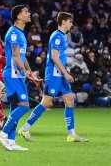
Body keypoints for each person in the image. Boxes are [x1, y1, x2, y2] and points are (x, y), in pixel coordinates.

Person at [18, 12, 89, 143]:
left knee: (69, 100)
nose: (71, 24)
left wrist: (65, 72)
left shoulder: (62, 36)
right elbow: (55, 57)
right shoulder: (57, 36)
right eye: (70, 22)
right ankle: (25, 128)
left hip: (60, 74)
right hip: (54, 75)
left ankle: (71, 135)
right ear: (63, 22)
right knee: (46, 102)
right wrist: (66, 73)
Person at [0, 5, 39, 151]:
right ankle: (3, 134)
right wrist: (24, 72)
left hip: (18, 74)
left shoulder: (21, 33)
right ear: (19, 16)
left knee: (15, 108)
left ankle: (11, 142)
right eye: (26, 12)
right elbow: (14, 55)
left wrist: (29, 71)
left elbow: (22, 56)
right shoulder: (14, 33)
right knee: (24, 106)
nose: (29, 13)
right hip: (13, 75)